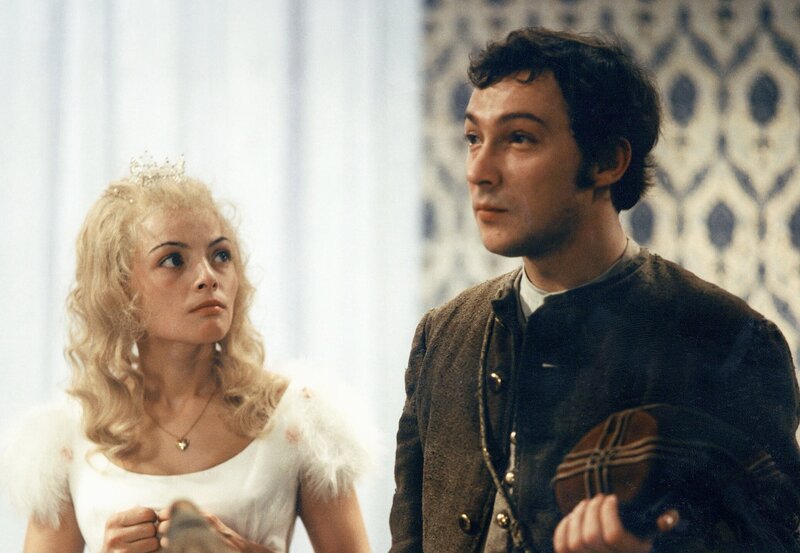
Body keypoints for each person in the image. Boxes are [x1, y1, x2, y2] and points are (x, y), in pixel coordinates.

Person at [389, 27, 800, 553]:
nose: (479, 171)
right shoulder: (442, 335)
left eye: (519, 138)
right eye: (474, 138)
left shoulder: (727, 340)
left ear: (608, 161)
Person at [5, 156, 371, 553]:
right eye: (173, 260)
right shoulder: (68, 437)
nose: (207, 277)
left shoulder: (298, 419)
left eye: (221, 255)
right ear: (120, 289)